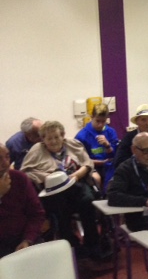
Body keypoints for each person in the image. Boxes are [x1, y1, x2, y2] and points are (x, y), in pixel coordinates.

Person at [21, 121, 103, 260]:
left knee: (88, 201)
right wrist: (47, 176)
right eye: (49, 138)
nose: (53, 141)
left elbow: (87, 163)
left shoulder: (73, 144)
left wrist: (78, 174)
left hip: (76, 183)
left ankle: (92, 244)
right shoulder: (37, 150)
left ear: (63, 135)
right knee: (60, 210)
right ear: (43, 139)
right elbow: (26, 171)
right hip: (53, 190)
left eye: (56, 137)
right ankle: (73, 246)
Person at [0, 143, 46, 258]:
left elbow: (37, 214)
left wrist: (27, 239)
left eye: (7, 156)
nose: (6, 163)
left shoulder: (19, 178)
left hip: (24, 236)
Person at [75, 103, 119, 191]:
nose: (100, 125)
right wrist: (99, 162)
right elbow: (79, 160)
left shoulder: (111, 132)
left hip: (109, 166)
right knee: (96, 178)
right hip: (92, 167)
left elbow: (115, 155)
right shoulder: (82, 136)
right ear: (92, 117)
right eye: (97, 121)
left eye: (103, 121)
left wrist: (107, 146)